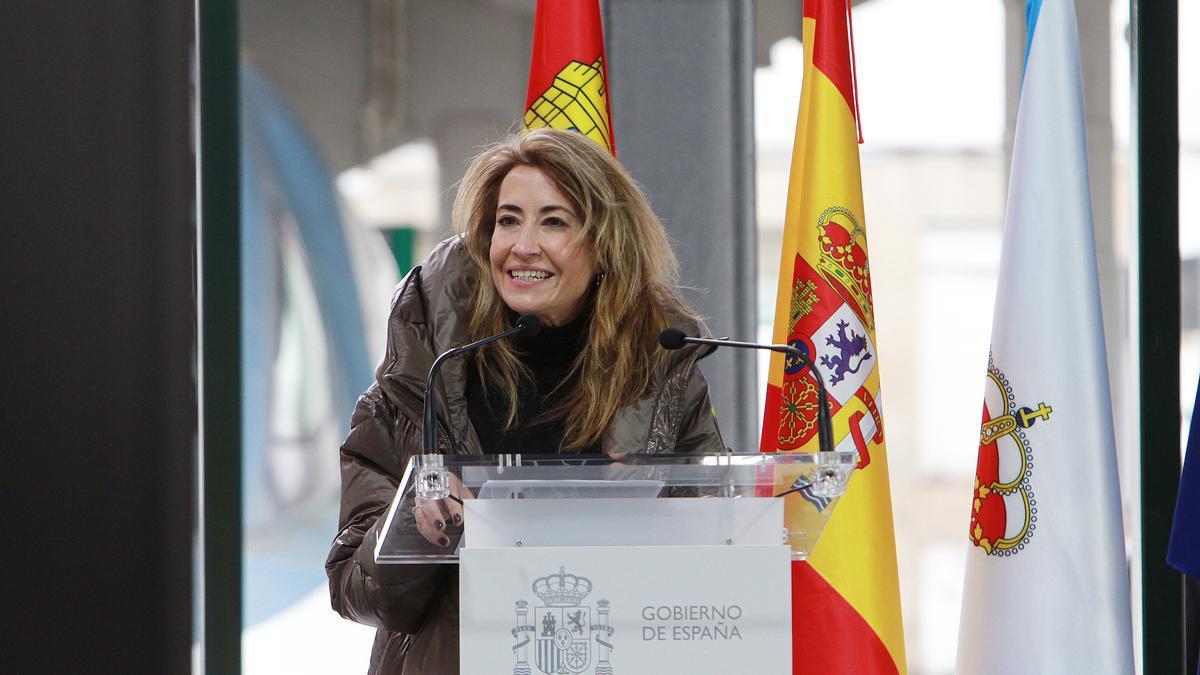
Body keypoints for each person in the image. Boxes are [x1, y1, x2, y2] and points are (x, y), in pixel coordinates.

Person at [326, 128, 726, 674]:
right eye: (508, 220)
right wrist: (414, 531)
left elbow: (714, 561)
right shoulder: (420, 376)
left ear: (605, 245)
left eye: (554, 222)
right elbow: (355, 590)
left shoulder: (661, 373)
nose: (522, 245)